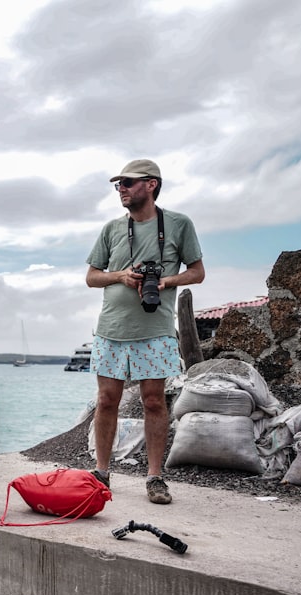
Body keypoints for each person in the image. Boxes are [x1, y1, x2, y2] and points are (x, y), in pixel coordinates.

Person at [85, 159, 205, 504]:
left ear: (151, 185)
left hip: (155, 330)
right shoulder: (111, 229)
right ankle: (101, 473)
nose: (121, 189)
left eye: (127, 182)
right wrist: (120, 275)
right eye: (118, 184)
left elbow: (197, 272)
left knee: (154, 402)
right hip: (111, 329)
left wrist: (168, 280)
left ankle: (155, 477)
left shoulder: (179, 225)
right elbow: (92, 277)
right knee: (107, 400)